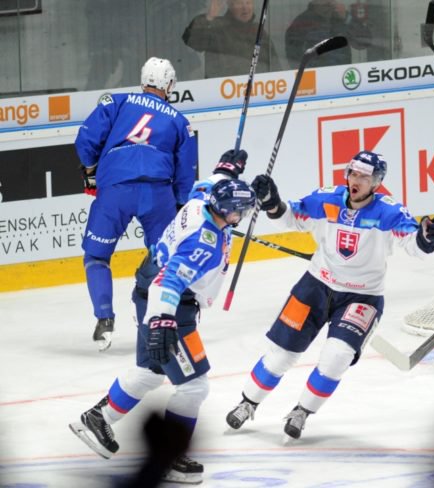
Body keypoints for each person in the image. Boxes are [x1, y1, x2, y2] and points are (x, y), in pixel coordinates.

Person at [224, 150, 434, 439]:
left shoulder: (389, 212)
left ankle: (302, 411)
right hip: (315, 286)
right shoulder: (325, 199)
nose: (357, 180)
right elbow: (290, 217)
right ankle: (247, 403)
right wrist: (270, 201)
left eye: (365, 177)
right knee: (280, 355)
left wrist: (428, 238)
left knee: (337, 357)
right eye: (353, 173)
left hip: (361, 297)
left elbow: (414, 243)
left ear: (377, 183)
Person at [69, 168, 257, 484]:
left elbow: (208, 183)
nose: (246, 214)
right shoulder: (204, 242)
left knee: (152, 370)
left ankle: (98, 418)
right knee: (195, 385)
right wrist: (162, 321)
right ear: (228, 211)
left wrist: (229, 170)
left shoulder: (200, 201)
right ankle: (170, 457)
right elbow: (168, 280)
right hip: (172, 306)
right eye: (243, 210)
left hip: (147, 288)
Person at [75, 57, 198, 352]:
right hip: (158, 193)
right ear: (169, 85)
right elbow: (185, 170)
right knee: (167, 259)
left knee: (96, 256)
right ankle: (171, 321)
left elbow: (86, 139)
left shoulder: (115, 102)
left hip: (116, 188)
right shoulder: (181, 121)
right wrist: (181, 203)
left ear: (143, 81)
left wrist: (90, 171)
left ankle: (104, 319)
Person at [182, 0, 282, 78]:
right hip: (224, 93)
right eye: (239, 3)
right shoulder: (216, 28)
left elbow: (275, 65)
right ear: (230, 5)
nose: (245, 7)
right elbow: (192, 41)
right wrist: (209, 17)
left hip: (260, 91)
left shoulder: (259, 31)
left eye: (248, 2)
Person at [285, 0, 371, 68]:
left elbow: (364, 42)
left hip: (343, 78)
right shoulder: (302, 22)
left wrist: (347, 18)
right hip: (316, 80)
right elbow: (294, 60)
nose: (328, 2)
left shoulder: (342, 18)